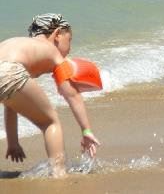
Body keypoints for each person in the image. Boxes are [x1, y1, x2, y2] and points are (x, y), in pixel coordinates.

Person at [0, 14, 100, 177]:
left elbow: (10, 102)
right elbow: (72, 96)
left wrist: (13, 142)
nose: (70, 49)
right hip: (10, 72)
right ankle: (59, 173)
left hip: (6, 73)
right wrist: (86, 131)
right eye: (70, 41)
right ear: (58, 34)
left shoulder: (20, 45)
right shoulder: (53, 51)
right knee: (50, 122)